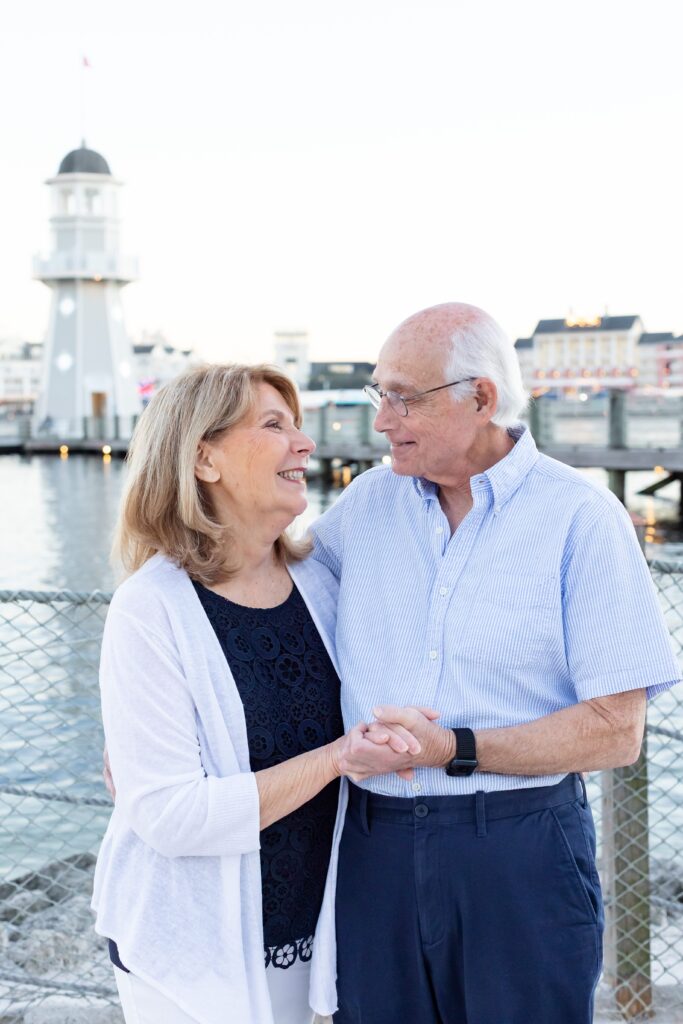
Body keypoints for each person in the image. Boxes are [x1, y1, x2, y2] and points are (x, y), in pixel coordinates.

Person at [310, 302, 681, 1024]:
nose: (381, 420)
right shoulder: (362, 507)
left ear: (479, 397)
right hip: (368, 845)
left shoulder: (580, 517)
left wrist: (453, 749)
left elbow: (615, 731)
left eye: (401, 398)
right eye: (376, 394)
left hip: (519, 851)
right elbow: (265, 606)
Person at [92, 363, 412, 1024]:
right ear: (202, 458)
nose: (305, 444)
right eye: (274, 426)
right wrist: (337, 758)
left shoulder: (321, 583)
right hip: (190, 953)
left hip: (311, 940)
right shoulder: (149, 609)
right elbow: (171, 817)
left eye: (298, 426)